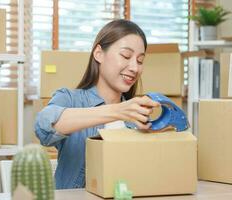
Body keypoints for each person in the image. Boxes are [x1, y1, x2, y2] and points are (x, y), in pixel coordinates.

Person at [34, 19, 160, 189]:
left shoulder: (136, 117)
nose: (134, 68)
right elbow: (44, 127)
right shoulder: (70, 99)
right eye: (126, 56)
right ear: (99, 53)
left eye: (139, 60)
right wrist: (118, 111)